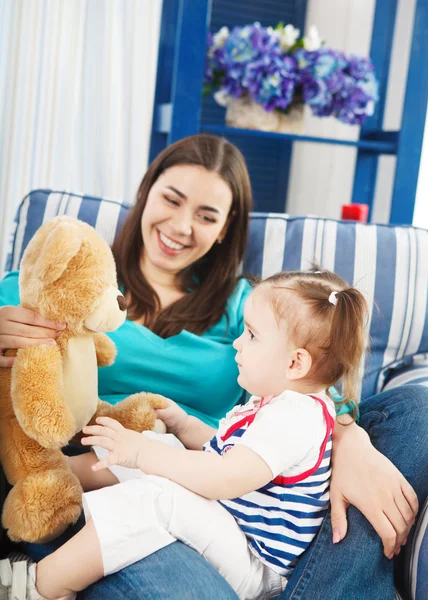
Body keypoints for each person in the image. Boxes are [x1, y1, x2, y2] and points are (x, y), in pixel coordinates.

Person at [0, 134, 425, 600]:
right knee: (148, 513)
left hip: (215, 490)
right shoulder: (57, 282)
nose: (182, 226)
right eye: (172, 199)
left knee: (417, 408)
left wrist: (351, 443)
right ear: (146, 193)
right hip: (95, 472)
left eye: (206, 215)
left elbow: (318, 393)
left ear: (225, 228)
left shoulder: (255, 304)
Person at [11, 268, 368, 600]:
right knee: (161, 442)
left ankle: (44, 584)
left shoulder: (295, 416)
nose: (237, 344)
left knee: (161, 497)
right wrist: (183, 426)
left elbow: (224, 478)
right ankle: (58, 478)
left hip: (252, 559)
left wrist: (141, 454)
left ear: (295, 363)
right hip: (232, 526)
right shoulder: (278, 402)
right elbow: (225, 451)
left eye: (253, 336)